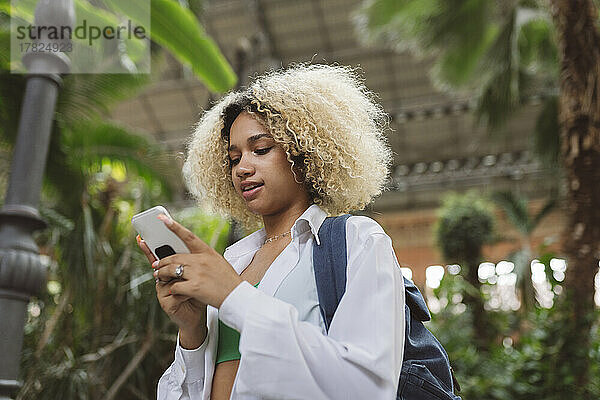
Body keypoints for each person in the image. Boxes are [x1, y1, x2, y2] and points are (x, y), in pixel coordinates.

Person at [136, 64, 406, 400]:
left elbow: (368, 387)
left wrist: (234, 297)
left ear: (305, 154)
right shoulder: (233, 262)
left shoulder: (358, 241)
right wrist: (193, 331)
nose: (242, 169)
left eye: (261, 149)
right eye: (233, 159)